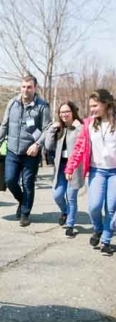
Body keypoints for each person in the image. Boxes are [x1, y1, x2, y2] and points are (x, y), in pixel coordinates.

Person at [0, 74, 51, 227]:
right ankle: (23, 201)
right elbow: (4, 125)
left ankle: (25, 213)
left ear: (35, 88)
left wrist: (37, 145)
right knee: (10, 180)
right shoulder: (12, 103)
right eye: (23, 87)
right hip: (12, 150)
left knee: (28, 183)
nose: (26, 90)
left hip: (30, 153)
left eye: (29, 87)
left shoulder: (42, 106)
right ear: (20, 87)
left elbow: (47, 129)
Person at [65, 89, 116, 256]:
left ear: (106, 103)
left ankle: (106, 241)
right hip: (97, 171)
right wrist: (70, 167)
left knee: (111, 207)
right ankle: (98, 229)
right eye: (90, 106)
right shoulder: (89, 124)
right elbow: (79, 148)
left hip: (114, 172)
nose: (91, 109)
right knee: (94, 207)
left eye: (94, 106)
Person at [45, 101, 84, 238]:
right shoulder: (59, 129)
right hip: (61, 166)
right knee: (57, 195)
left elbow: (84, 143)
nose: (64, 114)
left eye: (67, 111)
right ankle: (65, 212)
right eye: (61, 112)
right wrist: (51, 129)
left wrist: (78, 127)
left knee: (71, 197)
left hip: (74, 168)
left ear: (73, 112)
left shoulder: (79, 127)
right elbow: (49, 146)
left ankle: (70, 225)